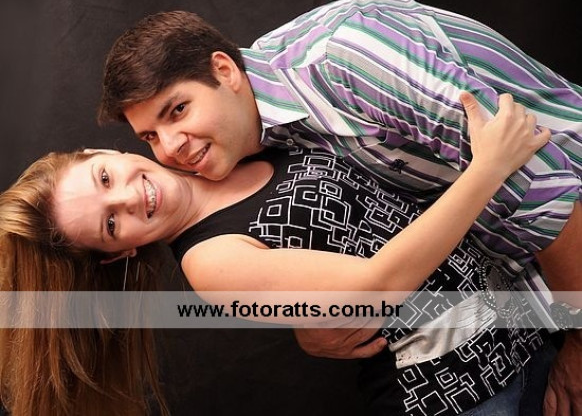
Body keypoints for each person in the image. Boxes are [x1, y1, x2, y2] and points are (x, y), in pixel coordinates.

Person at [97, 0, 581, 413]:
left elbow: (545, 192)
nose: (170, 146)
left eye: (178, 110)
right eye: (150, 136)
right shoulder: (243, 137)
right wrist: (316, 312)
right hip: (501, 338)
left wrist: (579, 345)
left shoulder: (348, 60)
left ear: (224, 71)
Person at [0, 93, 554, 415]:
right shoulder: (211, 265)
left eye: (104, 177)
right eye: (110, 224)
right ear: (119, 253)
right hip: (465, 393)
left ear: (101, 151)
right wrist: (488, 167)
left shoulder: (220, 147)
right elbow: (377, 288)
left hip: (521, 327)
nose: (128, 197)